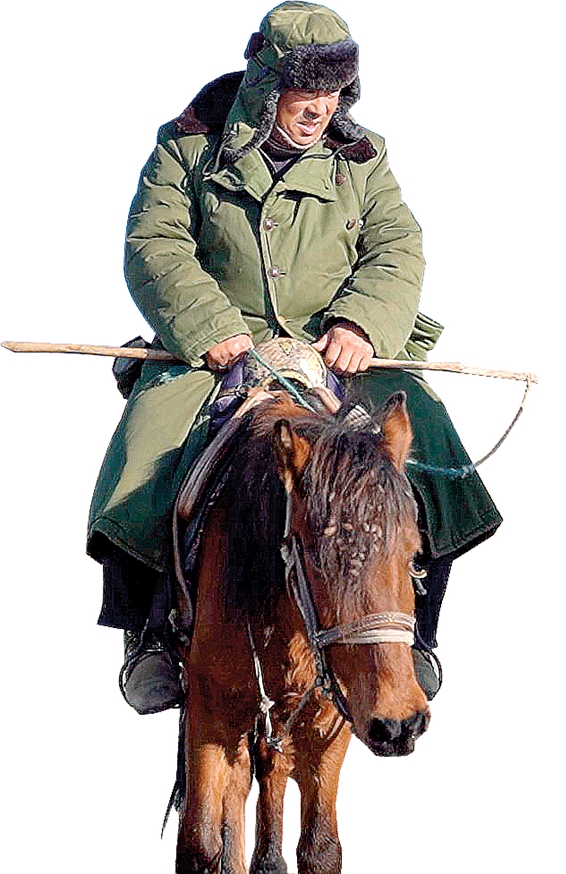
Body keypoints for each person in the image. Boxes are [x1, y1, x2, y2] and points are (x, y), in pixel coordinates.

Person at [88, 1, 501, 715]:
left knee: (431, 444)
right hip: (217, 348)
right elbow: (154, 243)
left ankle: (419, 634)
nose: (320, 107)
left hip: (339, 349)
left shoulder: (364, 158)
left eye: (334, 91)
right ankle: (146, 638)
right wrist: (210, 325)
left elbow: (397, 248)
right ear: (265, 82)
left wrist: (361, 323)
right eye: (305, 89)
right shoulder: (185, 148)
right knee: (144, 447)